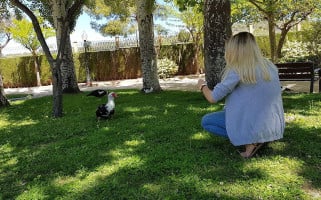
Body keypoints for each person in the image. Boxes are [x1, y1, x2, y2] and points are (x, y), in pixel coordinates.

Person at [198, 32, 285, 158]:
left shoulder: (238, 69)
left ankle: (250, 143)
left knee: (207, 121)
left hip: (251, 122)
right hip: (273, 125)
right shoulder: (269, 66)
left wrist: (202, 85)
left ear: (234, 50)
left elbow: (212, 97)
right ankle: (261, 137)